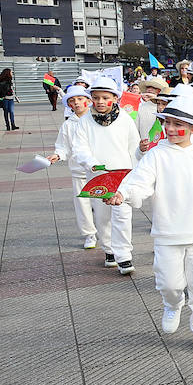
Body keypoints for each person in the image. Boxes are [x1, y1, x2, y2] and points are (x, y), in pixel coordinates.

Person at [109, 86, 193, 352]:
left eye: (178, 124)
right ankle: (173, 304)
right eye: (167, 122)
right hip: (167, 232)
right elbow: (139, 182)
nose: (171, 128)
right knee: (170, 283)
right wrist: (123, 194)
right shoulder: (156, 155)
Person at [70, 76, 141, 275]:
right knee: (102, 216)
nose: (100, 102)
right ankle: (109, 249)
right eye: (96, 98)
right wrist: (92, 164)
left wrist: (135, 172)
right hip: (98, 176)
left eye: (105, 97)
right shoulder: (84, 121)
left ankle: (124, 256)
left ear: (115, 98)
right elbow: (79, 147)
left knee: (123, 215)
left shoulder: (126, 120)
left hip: (123, 176)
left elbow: (133, 147)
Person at [48, 86, 97, 249]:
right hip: (79, 171)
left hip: (98, 170)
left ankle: (107, 233)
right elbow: (63, 146)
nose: (76, 103)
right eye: (72, 101)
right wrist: (58, 155)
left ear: (88, 101)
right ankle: (89, 234)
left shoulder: (97, 120)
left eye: (79, 99)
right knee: (82, 204)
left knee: (102, 204)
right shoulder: (68, 125)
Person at [136, 77, 170, 151]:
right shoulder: (140, 107)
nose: (149, 89)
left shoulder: (169, 110)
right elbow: (136, 132)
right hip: (146, 150)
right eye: (148, 87)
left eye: (154, 87)